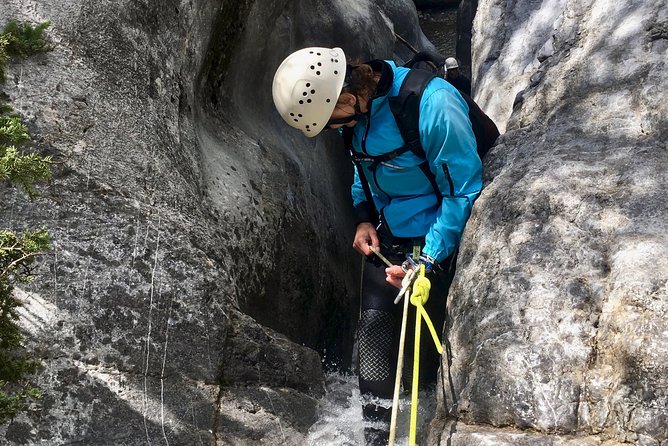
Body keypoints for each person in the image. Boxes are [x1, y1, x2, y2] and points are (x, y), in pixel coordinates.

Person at [272, 47, 482, 445]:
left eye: (332, 123)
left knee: (426, 349)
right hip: (388, 237)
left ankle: (429, 428)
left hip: (440, 239)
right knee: (373, 334)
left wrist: (429, 260)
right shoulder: (357, 116)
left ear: (348, 97)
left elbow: (461, 191)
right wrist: (364, 218)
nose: (334, 131)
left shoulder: (432, 104)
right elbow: (362, 170)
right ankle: (373, 437)